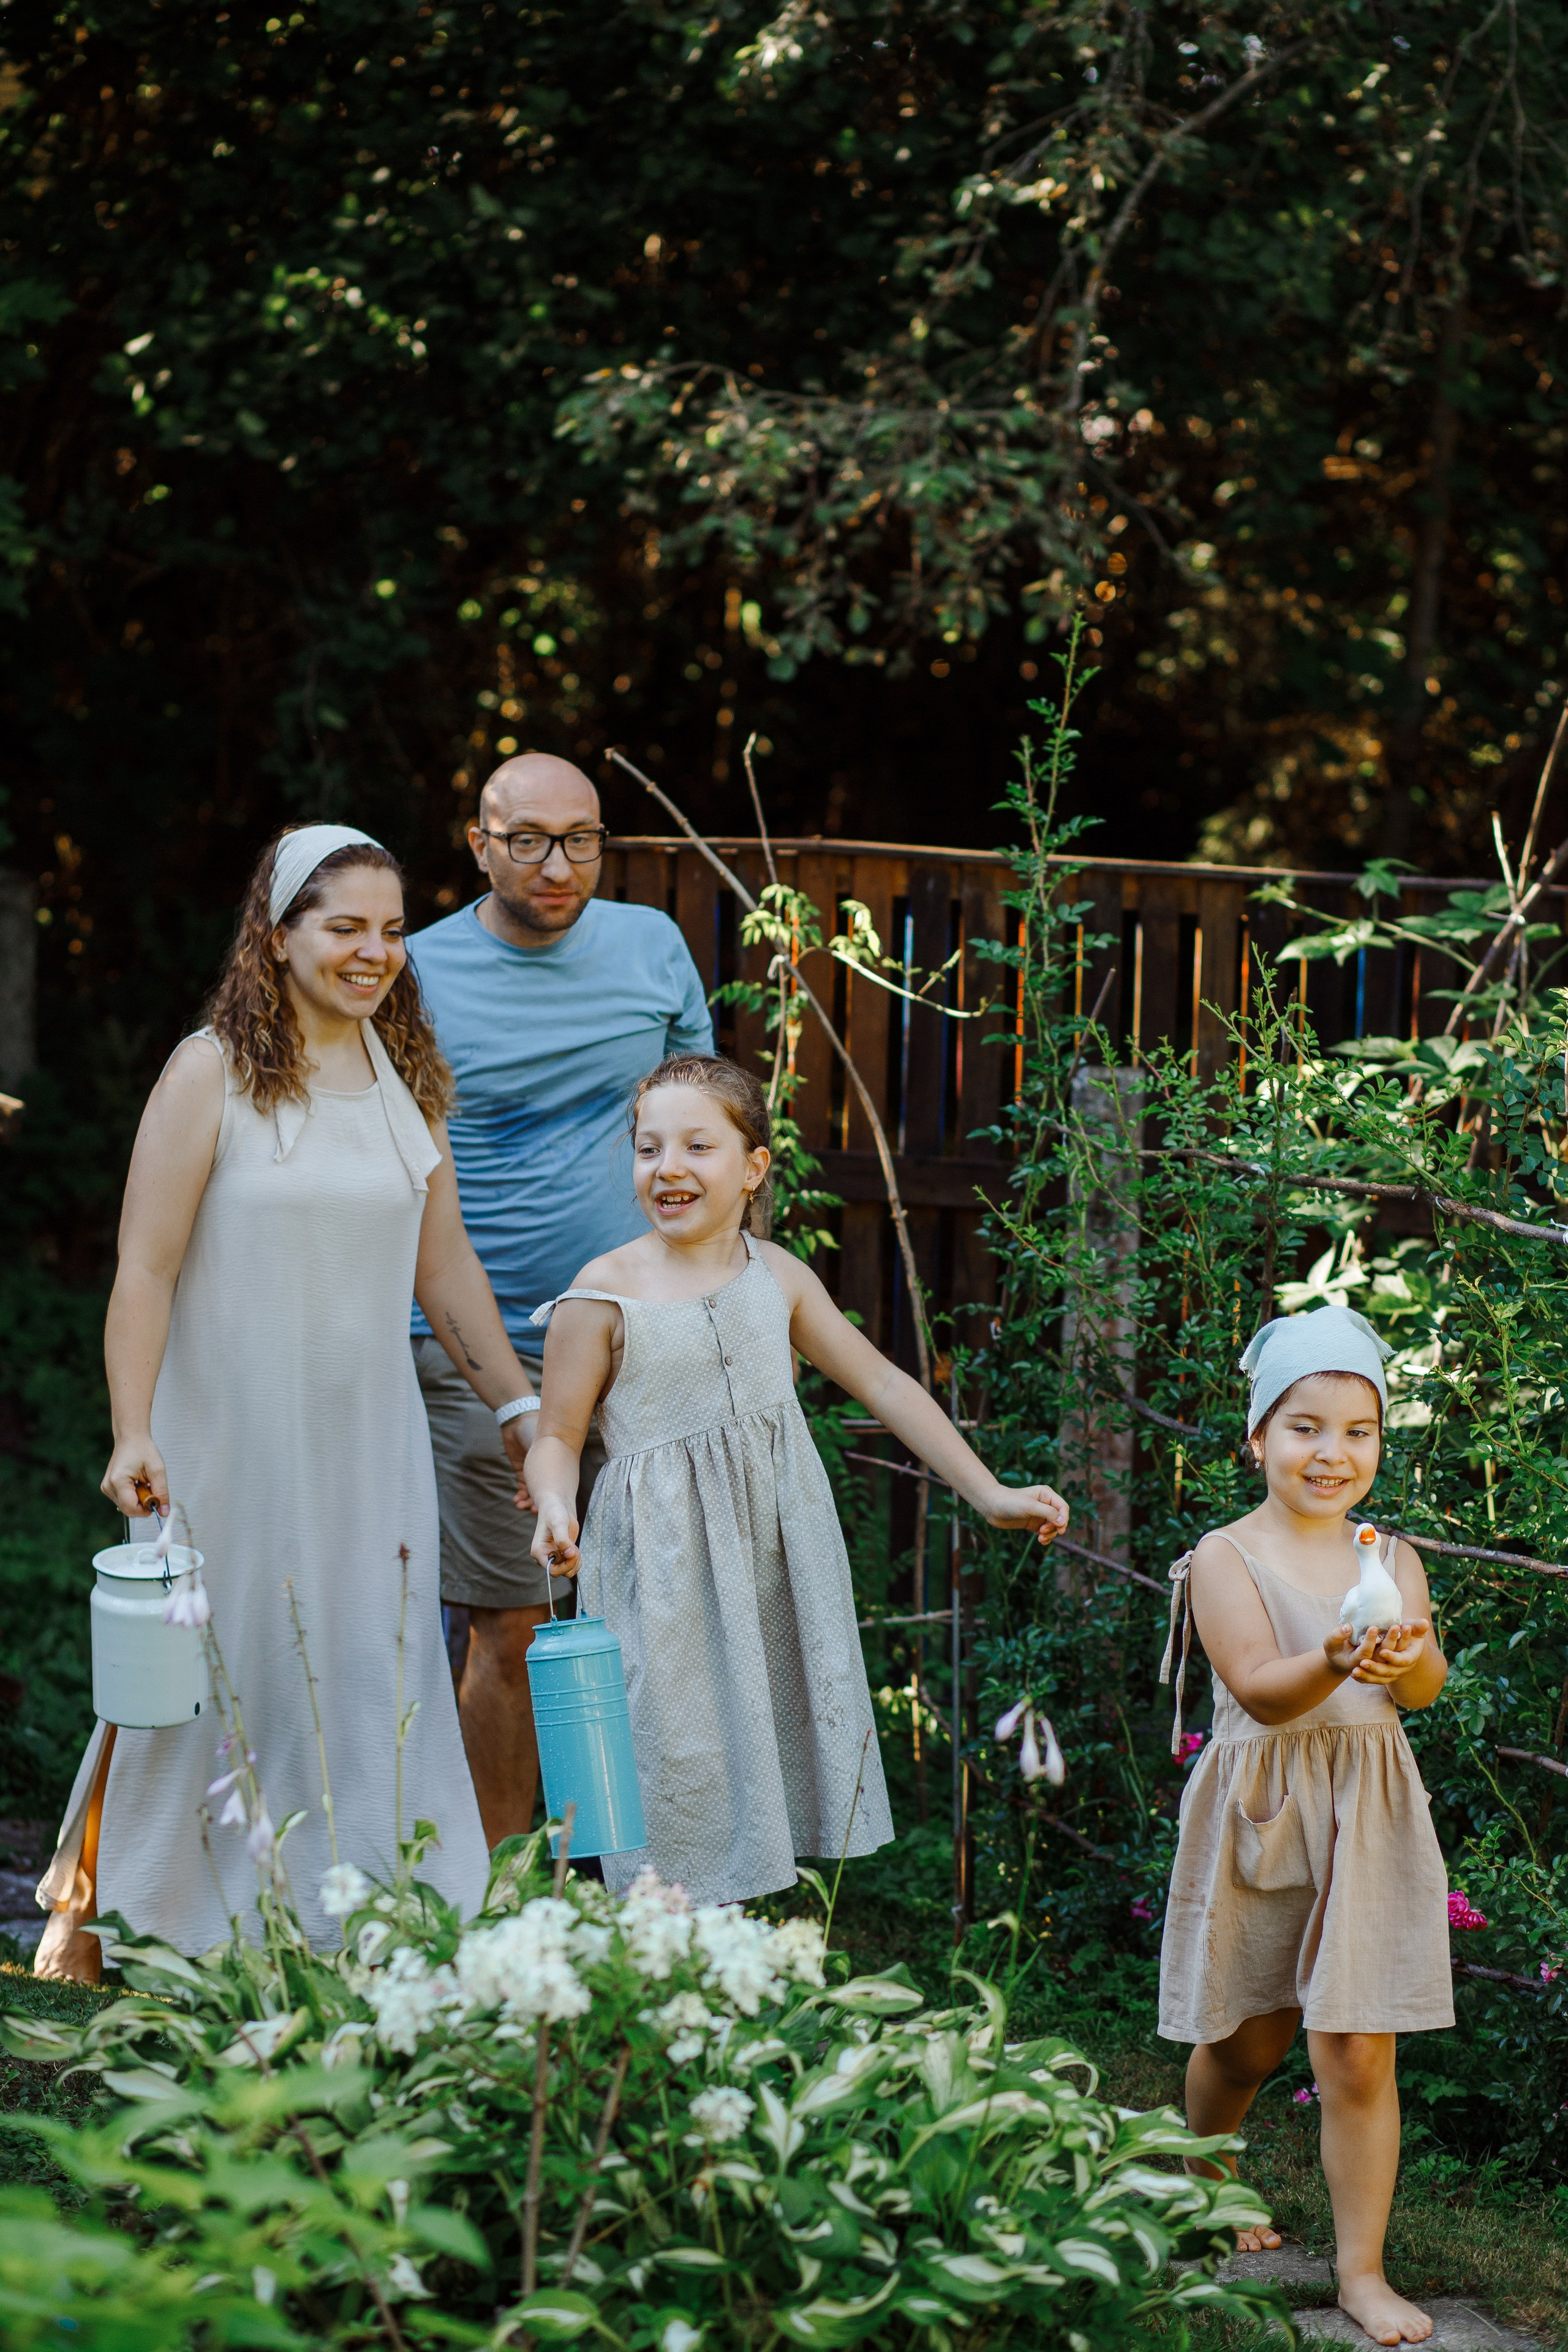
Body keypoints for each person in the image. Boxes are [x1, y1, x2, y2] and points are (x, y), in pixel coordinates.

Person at [35, 824, 545, 1976]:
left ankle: (348, 1915)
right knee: (205, 1670)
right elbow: (145, 1268)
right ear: (276, 935)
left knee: (367, 1665)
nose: (375, 952)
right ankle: (118, 1911)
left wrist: (518, 1411)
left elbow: (446, 1269)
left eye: (393, 931)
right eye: (345, 927)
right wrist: (131, 1429)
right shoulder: (207, 1071)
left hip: (369, 1441)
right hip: (223, 1434)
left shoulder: (408, 1080)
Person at [525, 1052, 1071, 1907]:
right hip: (660, 1576)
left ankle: (741, 1940)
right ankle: (656, 1937)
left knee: (762, 1746)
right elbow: (557, 1436)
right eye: (648, 1148)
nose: (667, 1167)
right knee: (671, 1753)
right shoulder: (602, 1295)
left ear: (752, 1168)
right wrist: (556, 1505)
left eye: (697, 1146)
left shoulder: (778, 1276)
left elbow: (884, 1383)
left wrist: (989, 1492)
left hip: (773, 1564)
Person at [407, 753, 712, 1848]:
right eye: (528, 840)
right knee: (515, 1617)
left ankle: (630, 1872)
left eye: (581, 840)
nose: (558, 865)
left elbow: (708, 1135)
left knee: (659, 1614)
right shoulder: (416, 971)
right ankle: (491, 1891)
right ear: (479, 845)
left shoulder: (652, 946)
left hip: (643, 1335)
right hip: (480, 1345)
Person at [1157, 1305, 1451, 2347]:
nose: (1333, 1453)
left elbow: (1424, 1689)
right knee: (1247, 2039)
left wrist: (1406, 1655)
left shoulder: (1391, 1556)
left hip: (1368, 1814)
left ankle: (1360, 2272)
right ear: (1258, 1438)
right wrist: (1333, 1658)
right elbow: (1258, 1688)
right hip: (1268, 1811)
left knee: (1359, 2051)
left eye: (1358, 1432)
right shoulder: (1225, 1554)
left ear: (1379, 1444)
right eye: (1305, 1427)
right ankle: (1202, 2174)